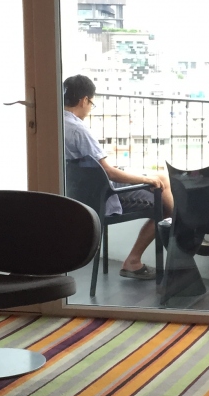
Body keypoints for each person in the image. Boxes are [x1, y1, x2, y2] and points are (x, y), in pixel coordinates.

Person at [63, 74, 173, 279]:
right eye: (91, 103)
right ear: (84, 100)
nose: (89, 108)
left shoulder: (56, 124)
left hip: (78, 195)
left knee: (161, 178)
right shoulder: (79, 129)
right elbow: (109, 172)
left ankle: (179, 230)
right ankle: (137, 259)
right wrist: (145, 180)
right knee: (162, 198)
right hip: (105, 197)